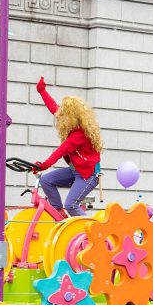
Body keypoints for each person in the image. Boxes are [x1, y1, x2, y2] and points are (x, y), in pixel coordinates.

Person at [33, 76, 103, 218]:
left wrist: (43, 166)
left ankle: (90, 231)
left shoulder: (78, 135)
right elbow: (54, 108)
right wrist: (42, 91)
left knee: (71, 205)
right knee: (46, 180)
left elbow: (60, 152)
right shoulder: (72, 125)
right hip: (76, 170)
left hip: (88, 175)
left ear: (70, 117)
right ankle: (59, 214)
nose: (60, 117)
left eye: (64, 115)